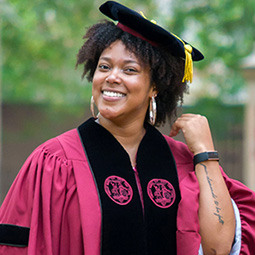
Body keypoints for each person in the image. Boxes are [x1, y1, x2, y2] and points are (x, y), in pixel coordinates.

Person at [0, 1, 255, 254]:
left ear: (155, 86)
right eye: (104, 67)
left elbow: (218, 249)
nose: (112, 77)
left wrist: (205, 153)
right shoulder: (54, 161)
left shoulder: (185, 163)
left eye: (129, 69)